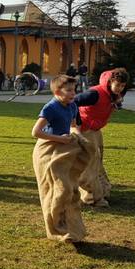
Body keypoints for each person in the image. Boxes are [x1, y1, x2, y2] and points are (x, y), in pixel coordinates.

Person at [31, 75, 89, 243]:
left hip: (64, 150)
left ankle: (72, 229)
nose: (73, 93)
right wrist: (60, 139)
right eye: (69, 90)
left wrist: (79, 137)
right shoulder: (51, 108)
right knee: (55, 191)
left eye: (74, 90)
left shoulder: (72, 106)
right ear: (57, 91)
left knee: (71, 190)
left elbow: (72, 126)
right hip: (47, 151)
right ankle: (57, 230)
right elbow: (36, 132)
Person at [74, 68, 129, 208]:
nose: (120, 88)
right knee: (89, 163)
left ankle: (102, 190)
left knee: (97, 163)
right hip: (85, 129)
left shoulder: (114, 95)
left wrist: (115, 104)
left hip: (96, 131)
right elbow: (72, 102)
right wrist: (77, 124)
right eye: (118, 85)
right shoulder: (94, 93)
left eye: (123, 86)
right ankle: (90, 197)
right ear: (110, 82)